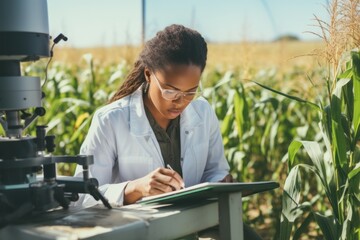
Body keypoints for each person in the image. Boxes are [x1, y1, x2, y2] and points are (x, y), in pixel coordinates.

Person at [74, 24, 261, 239]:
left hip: (197, 221)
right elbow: (83, 198)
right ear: (148, 74)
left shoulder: (203, 113)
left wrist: (222, 180)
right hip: (141, 229)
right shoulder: (110, 120)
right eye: (170, 90)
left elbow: (215, 170)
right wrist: (135, 188)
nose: (180, 102)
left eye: (190, 91)